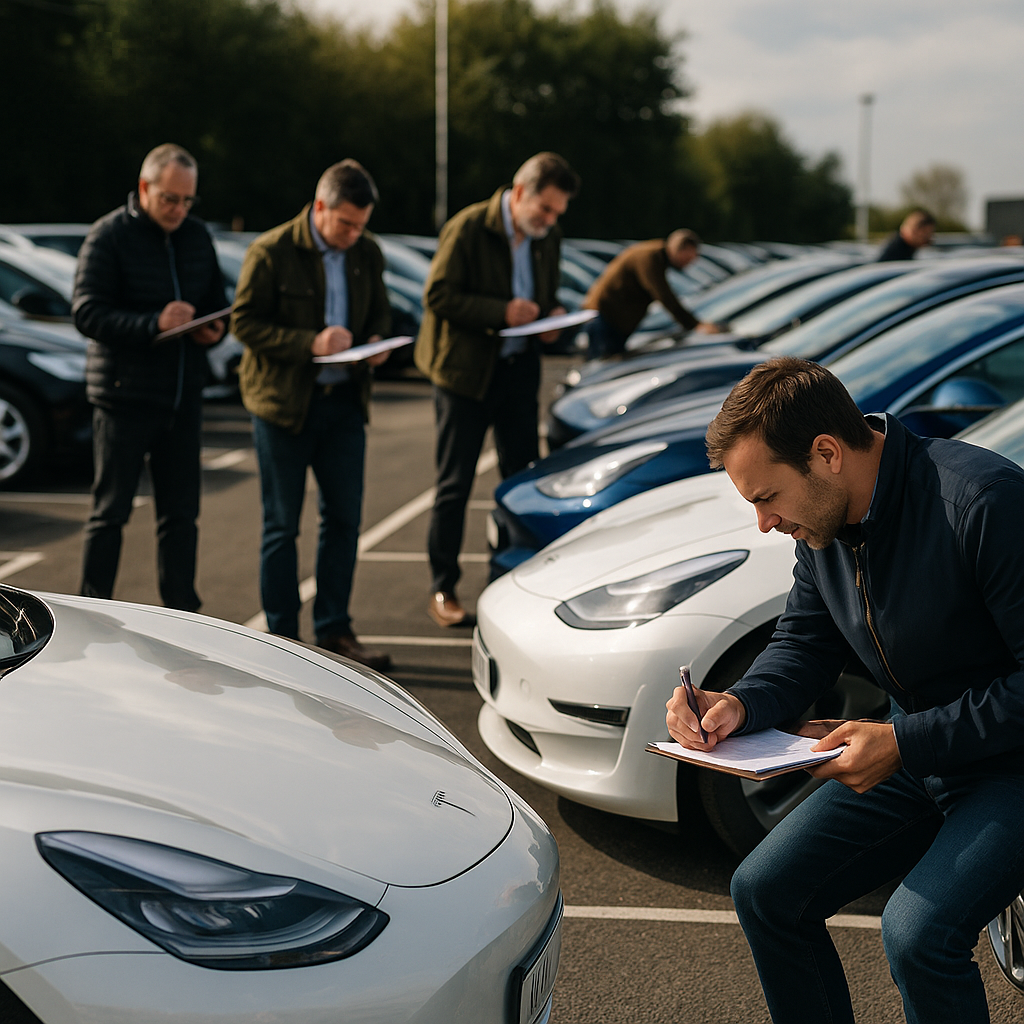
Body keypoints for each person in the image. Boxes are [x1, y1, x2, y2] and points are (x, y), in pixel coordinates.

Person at [665, 356, 1024, 1024]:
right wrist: (737, 704)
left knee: (918, 935)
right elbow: (804, 643)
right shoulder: (826, 526)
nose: (764, 522)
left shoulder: (982, 503)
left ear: (826, 454)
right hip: (920, 753)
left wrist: (904, 742)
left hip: (1010, 765)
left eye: (766, 497)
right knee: (765, 891)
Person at [231, 159, 392, 671]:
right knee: (282, 525)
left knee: (344, 520)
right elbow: (245, 322)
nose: (352, 234)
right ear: (319, 206)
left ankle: (334, 631)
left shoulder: (367, 252)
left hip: (343, 404)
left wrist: (375, 344)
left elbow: (382, 313)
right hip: (283, 407)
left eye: (360, 225)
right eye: (345, 223)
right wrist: (309, 343)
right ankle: (280, 640)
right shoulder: (272, 251)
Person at [415, 152, 580, 628]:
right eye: (544, 210)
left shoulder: (548, 238)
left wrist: (551, 319)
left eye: (556, 215)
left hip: (517, 371)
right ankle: (442, 587)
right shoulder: (468, 227)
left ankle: (511, 584)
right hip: (464, 376)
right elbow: (438, 296)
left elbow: (541, 299)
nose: (549, 222)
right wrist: (502, 312)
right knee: (455, 485)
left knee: (522, 481)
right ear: (521, 191)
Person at [72, 143, 227, 611]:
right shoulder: (108, 236)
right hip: (123, 397)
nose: (179, 210)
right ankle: (90, 610)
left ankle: (183, 616)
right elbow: (86, 313)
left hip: (182, 397)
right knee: (110, 513)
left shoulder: (197, 236)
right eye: (170, 199)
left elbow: (216, 301)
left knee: (181, 517)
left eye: (187, 201)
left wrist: (213, 331)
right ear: (144, 188)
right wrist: (153, 324)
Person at [581, 230, 721, 358]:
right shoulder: (651, 258)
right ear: (682, 249)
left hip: (609, 320)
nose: (689, 264)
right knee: (602, 370)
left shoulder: (655, 255)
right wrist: (695, 325)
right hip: (605, 319)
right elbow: (664, 295)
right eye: (690, 258)